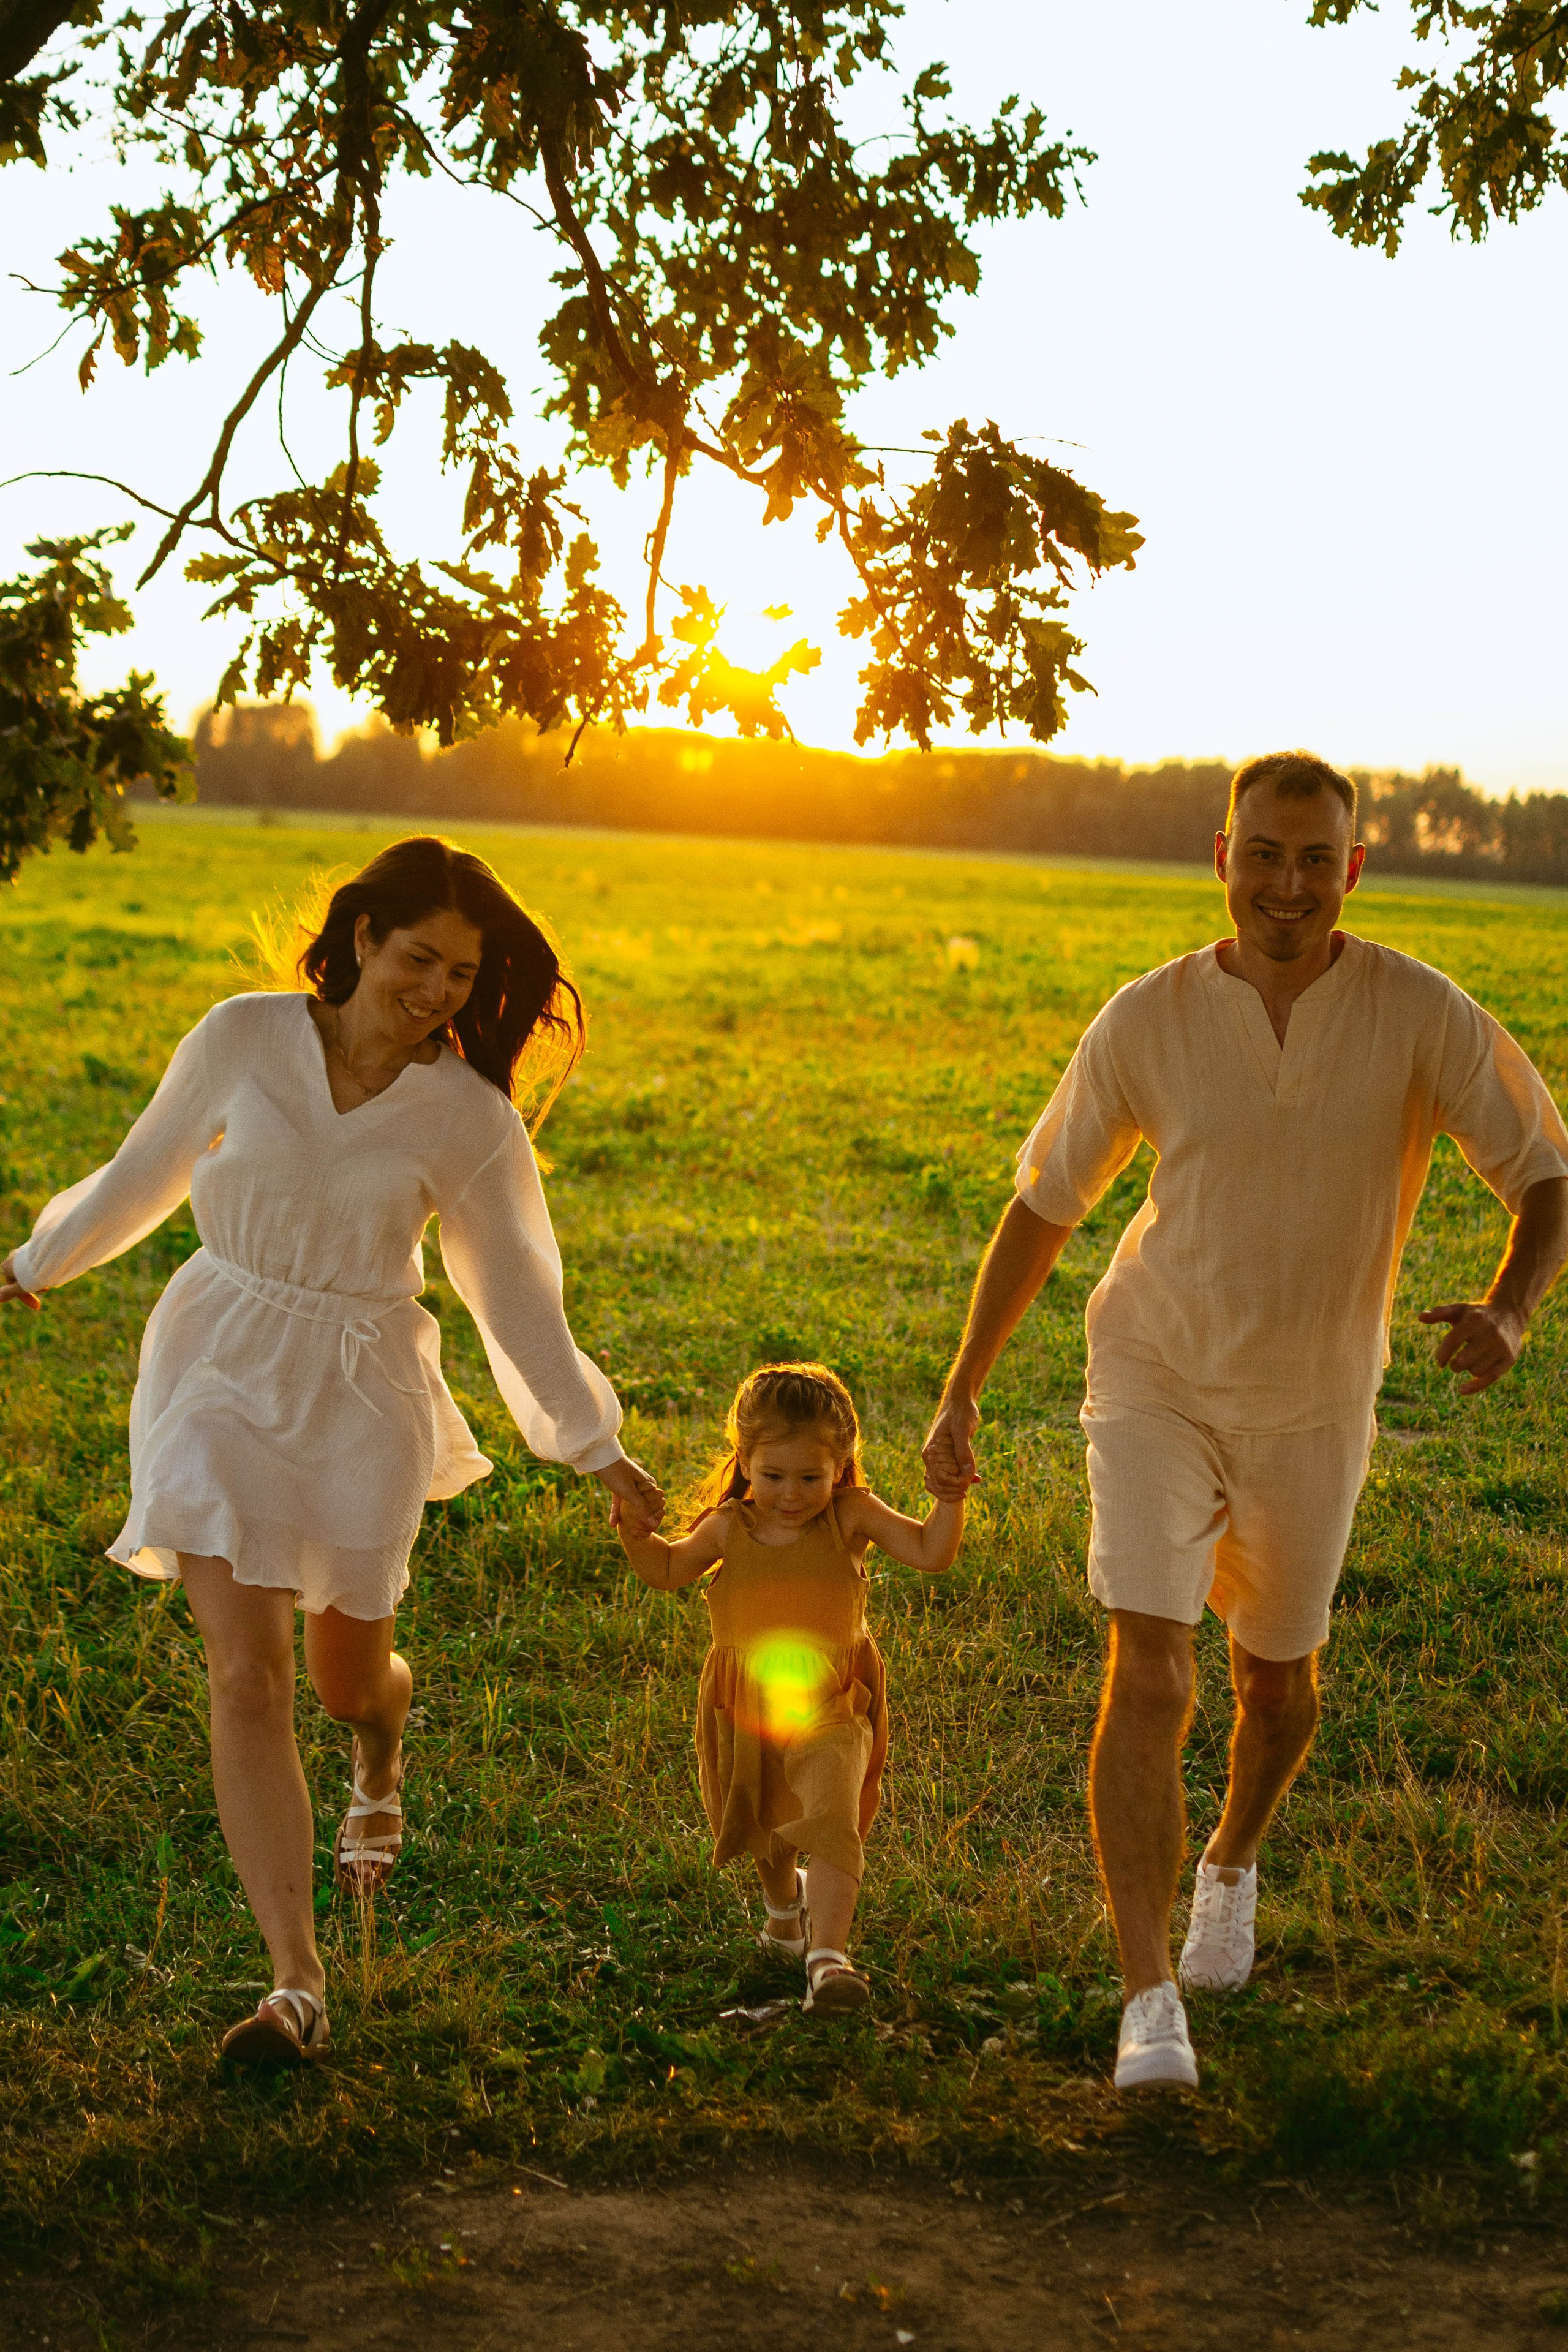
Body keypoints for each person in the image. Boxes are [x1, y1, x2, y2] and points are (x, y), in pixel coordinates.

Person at [921, 751, 1568, 2091]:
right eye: (1260, 855)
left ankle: (1229, 1859)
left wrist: (1511, 1310)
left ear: (1352, 869)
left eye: (1312, 859)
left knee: (1274, 1682)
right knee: (1148, 1668)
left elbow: (1544, 1171)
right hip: (1152, 1369)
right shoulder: (1143, 1019)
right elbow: (1045, 1203)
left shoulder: (1418, 1012)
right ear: (1218, 857)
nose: (1285, 885)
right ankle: (1146, 1995)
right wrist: (963, 1383)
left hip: (1315, 1399)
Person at [1, 835, 663, 2065]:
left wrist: (592, 1446)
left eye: (463, 975)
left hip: (362, 1393)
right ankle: (296, 1982)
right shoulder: (243, 1037)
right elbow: (144, 1170)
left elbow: (514, 1294)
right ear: (361, 934)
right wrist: (38, 1261)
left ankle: (380, 1745)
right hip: (218, 1360)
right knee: (243, 1678)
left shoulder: (469, 1117)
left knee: (344, 1679)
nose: (437, 991)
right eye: (420, 958)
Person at [617, 1363, 963, 2016]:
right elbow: (667, 1569)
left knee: (832, 1815)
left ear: (842, 1464)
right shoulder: (727, 1525)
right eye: (773, 1475)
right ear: (745, 1460)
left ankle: (828, 1957)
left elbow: (929, 1552)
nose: (792, 1493)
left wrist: (950, 1499)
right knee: (764, 1823)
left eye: (812, 1476)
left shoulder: (850, 1516)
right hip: (746, 1701)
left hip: (833, 1698)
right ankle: (783, 1914)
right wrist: (636, 1535)